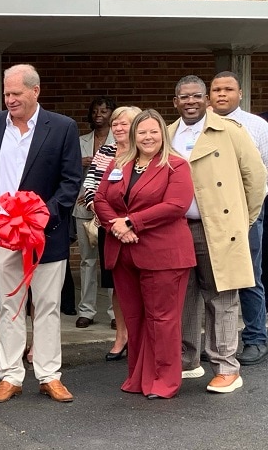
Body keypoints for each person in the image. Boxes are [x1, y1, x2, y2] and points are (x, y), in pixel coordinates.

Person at [0, 63, 82, 404]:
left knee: (47, 305)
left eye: (16, 93)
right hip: (3, 233)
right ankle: (10, 376)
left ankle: (49, 375)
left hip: (46, 233)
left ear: (36, 91)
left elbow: (71, 180)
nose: (10, 100)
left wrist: (44, 215)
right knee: (10, 305)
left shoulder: (62, 127)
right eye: (6, 93)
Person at [168, 75, 266, 394]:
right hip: (179, 228)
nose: (191, 102)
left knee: (221, 296)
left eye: (197, 96)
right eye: (184, 97)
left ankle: (226, 367)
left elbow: (255, 179)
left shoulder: (231, 131)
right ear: (175, 102)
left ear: (206, 100)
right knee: (185, 296)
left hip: (218, 227)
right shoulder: (168, 134)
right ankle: (188, 359)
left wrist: (242, 221)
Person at [94, 109, 195, 399]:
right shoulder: (120, 164)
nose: (148, 137)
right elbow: (100, 199)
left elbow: (177, 205)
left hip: (164, 256)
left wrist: (132, 222)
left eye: (154, 131)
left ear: (163, 134)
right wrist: (118, 227)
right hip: (124, 253)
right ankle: (139, 377)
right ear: (134, 136)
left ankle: (164, 381)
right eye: (142, 132)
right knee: (136, 319)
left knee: (162, 320)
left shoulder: (177, 166)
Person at [209, 71, 268, 366]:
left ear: (240, 93)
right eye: (216, 89)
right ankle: (219, 344)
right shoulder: (198, 127)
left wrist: (252, 214)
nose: (222, 94)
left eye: (228, 89)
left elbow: (262, 174)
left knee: (249, 277)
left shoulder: (257, 126)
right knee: (214, 281)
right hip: (209, 217)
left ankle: (256, 339)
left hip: (246, 216)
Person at [82, 106, 142, 361]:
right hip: (110, 229)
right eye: (115, 123)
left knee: (143, 285)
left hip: (140, 229)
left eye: (124, 123)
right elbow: (90, 189)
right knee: (118, 286)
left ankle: (142, 338)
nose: (117, 128)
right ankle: (122, 336)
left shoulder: (147, 152)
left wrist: (128, 221)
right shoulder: (106, 152)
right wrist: (111, 220)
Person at [74, 96, 116, 328]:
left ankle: (113, 313)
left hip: (110, 208)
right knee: (87, 261)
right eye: (95, 110)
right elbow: (68, 170)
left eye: (105, 110)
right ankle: (86, 311)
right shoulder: (81, 141)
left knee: (110, 262)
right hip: (82, 204)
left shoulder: (119, 141)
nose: (99, 114)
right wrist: (79, 163)